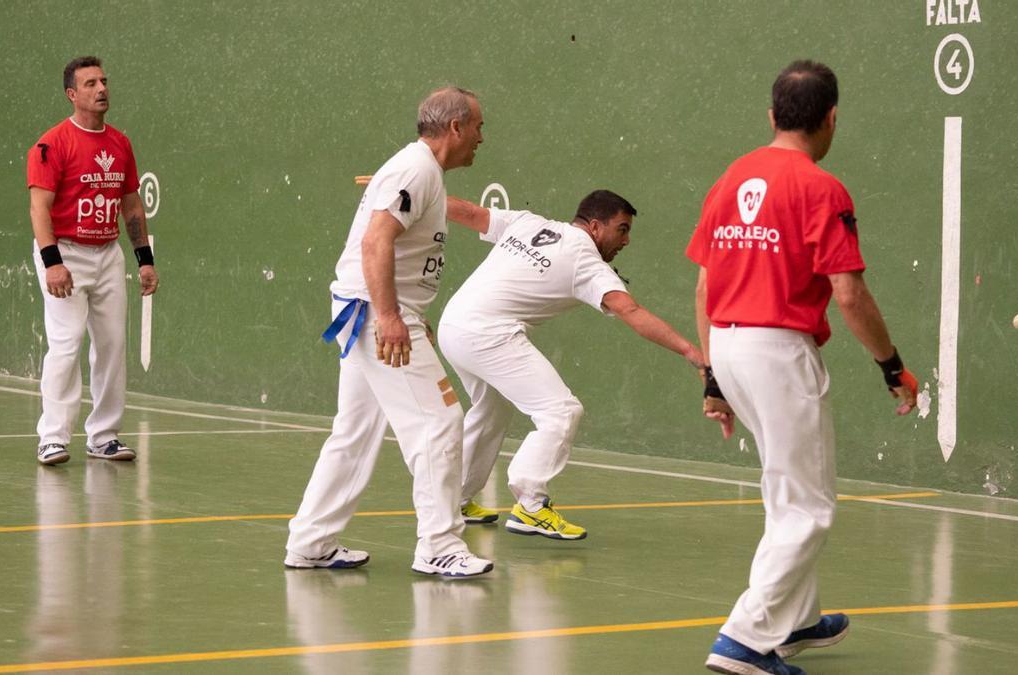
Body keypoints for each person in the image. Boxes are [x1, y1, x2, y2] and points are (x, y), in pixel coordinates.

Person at [686, 60, 918, 675]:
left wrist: (713, 377)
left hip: (731, 348)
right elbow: (849, 294)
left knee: (785, 489)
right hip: (779, 354)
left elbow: (706, 283)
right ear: (832, 118)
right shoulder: (822, 188)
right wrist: (892, 365)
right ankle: (744, 639)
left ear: (771, 115)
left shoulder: (731, 177)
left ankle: (796, 620)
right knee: (808, 506)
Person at [285, 87, 494, 578]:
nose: (483, 138)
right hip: (376, 316)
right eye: (479, 127)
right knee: (441, 420)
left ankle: (311, 541)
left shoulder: (423, 171)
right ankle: (439, 544)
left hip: (372, 313)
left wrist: (409, 313)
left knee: (355, 433)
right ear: (457, 127)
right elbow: (376, 241)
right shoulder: (415, 169)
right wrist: (392, 317)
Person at [439, 190, 706, 541]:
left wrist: (411, 189)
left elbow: (469, 212)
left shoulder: (527, 222)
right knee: (561, 411)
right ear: (595, 227)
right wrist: (692, 352)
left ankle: (454, 499)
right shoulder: (586, 261)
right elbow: (631, 312)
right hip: (489, 335)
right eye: (622, 229)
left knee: (491, 408)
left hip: (453, 325)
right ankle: (530, 505)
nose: (626, 241)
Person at [27, 56, 159, 467]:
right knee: (65, 346)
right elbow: (39, 208)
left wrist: (145, 259)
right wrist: (52, 263)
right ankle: (52, 437)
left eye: (103, 81)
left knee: (112, 345)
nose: (101, 89)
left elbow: (131, 204)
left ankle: (103, 436)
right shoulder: (52, 145)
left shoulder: (120, 143)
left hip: (106, 254)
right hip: (64, 252)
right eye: (90, 84)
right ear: (72, 94)